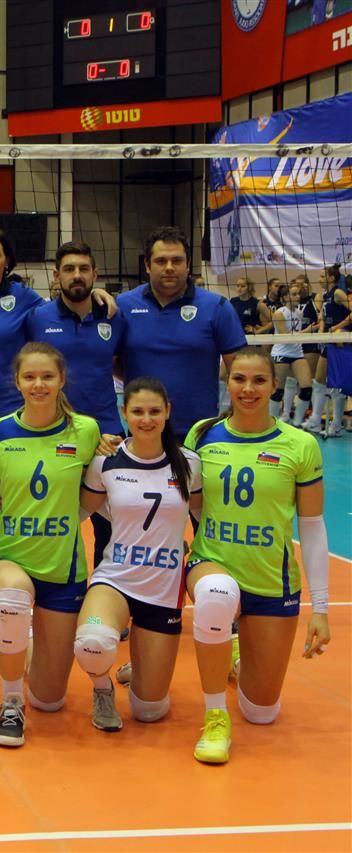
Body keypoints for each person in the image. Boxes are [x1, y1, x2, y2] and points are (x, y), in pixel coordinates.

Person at [0, 228, 114, 638]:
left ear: (8, 261)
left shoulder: (28, 301)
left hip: (14, 418)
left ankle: (83, 594)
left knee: (21, 504)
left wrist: (99, 294)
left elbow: (67, 304)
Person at [183, 347, 330, 764]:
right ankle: (215, 717)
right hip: (212, 564)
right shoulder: (202, 435)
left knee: (262, 712)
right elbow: (191, 504)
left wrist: (320, 609)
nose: (248, 389)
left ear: (273, 385)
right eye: (239, 379)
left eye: (259, 380)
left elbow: (312, 526)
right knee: (216, 593)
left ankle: (234, 655)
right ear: (227, 382)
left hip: (271, 580)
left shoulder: (300, 445)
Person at [0, 342, 102, 747]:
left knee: (50, 699)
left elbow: (92, 495)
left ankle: (22, 644)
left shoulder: (86, 431)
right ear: (17, 382)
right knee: (12, 596)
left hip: (63, 567)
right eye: (29, 377)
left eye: (47, 376)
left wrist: (60, 520)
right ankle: (11, 704)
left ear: (62, 380)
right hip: (7, 556)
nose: (38, 384)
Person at [75, 378, 201, 734]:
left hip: (162, 588)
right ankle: (102, 689)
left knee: (149, 711)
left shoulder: (189, 463)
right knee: (93, 643)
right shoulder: (106, 461)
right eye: (138, 412)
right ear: (124, 413)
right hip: (115, 579)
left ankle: (142, 667)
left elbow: (203, 516)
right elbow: (79, 511)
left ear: (168, 412)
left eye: (154, 411)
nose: (146, 419)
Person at [25, 241, 127, 569]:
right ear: (56, 276)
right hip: (55, 433)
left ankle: (103, 589)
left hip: (107, 435)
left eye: (84, 269)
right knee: (51, 519)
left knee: (110, 526)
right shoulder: (37, 318)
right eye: (69, 269)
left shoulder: (114, 316)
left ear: (95, 274)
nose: (77, 275)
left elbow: (122, 364)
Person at [117, 226, 246, 439]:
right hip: (143, 430)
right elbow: (110, 361)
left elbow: (240, 370)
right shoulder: (123, 306)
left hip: (201, 433)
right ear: (147, 265)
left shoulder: (217, 307)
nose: (169, 267)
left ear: (188, 265)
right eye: (161, 261)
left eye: (177, 260)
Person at [303, 272, 350, 438]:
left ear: (331, 278)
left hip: (341, 341)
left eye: (323, 276)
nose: (320, 278)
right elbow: (323, 317)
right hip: (329, 341)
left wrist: (338, 328)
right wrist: (322, 332)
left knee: (337, 383)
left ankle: (336, 425)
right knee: (319, 380)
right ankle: (315, 420)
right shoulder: (325, 296)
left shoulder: (338, 293)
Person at [271, 283, 316, 426]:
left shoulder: (299, 313)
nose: (298, 297)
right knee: (277, 391)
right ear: (285, 297)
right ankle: (272, 424)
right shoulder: (279, 313)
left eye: (298, 294)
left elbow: (296, 335)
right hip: (281, 352)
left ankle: (296, 425)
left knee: (307, 389)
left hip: (297, 352)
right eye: (294, 294)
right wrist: (307, 331)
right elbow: (285, 336)